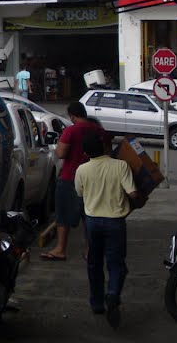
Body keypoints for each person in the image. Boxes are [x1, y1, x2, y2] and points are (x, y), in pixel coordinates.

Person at [75, 131, 139, 327]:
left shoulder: (82, 170)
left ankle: (96, 303)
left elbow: (80, 193)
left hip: (93, 222)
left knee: (94, 263)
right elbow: (134, 194)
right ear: (104, 147)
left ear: (86, 152)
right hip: (115, 223)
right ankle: (112, 294)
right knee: (116, 264)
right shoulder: (120, 166)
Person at [41, 101, 111, 262]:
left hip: (70, 178)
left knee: (63, 214)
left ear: (72, 116)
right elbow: (108, 155)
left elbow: (61, 153)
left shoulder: (71, 131)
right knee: (90, 215)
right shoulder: (100, 132)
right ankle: (89, 250)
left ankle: (60, 249)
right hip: (95, 180)